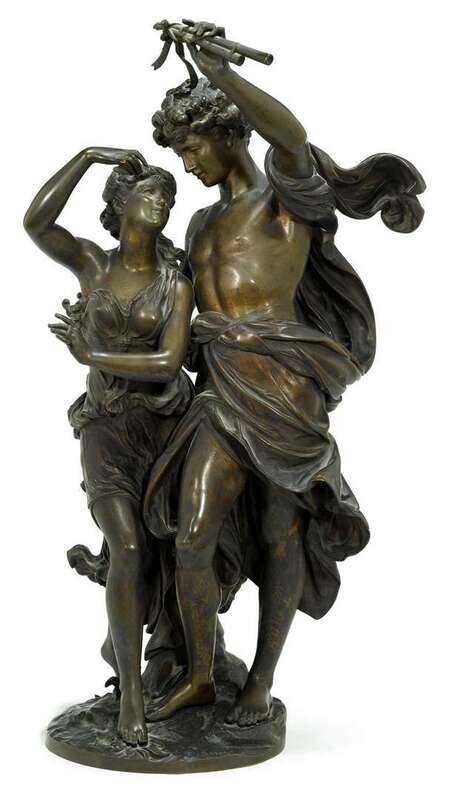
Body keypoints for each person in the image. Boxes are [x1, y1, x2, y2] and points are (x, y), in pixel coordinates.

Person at [144, 22, 425, 726]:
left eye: (192, 147)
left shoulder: (284, 203)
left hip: (285, 393)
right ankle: (199, 675)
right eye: (179, 154)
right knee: (191, 532)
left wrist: (221, 73)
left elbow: (293, 139)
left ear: (228, 132)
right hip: (219, 391)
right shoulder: (200, 224)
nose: (187, 164)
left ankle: (262, 679)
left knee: (279, 533)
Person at [24, 147, 194, 744]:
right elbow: (36, 223)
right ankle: (131, 695)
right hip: (105, 428)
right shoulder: (93, 266)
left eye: (169, 197)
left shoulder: (176, 283)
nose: (162, 202)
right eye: (151, 193)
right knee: (126, 546)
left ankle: (173, 658)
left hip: (165, 430)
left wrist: (90, 354)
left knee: (168, 553)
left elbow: (169, 363)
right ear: (121, 203)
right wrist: (89, 156)